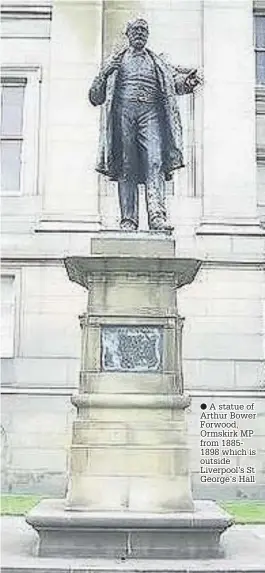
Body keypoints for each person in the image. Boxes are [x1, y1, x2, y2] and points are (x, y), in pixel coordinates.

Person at [89, 18, 200, 231]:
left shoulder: (157, 61)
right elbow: (95, 97)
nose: (139, 33)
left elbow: (173, 82)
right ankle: (128, 219)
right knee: (126, 166)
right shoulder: (116, 60)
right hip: (124, 114)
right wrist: (104, 73)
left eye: (143, 30)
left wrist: (188, 83)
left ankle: (157, 216)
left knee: (155, 162)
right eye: (136, 30)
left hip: (150, 114)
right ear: (128, 34)